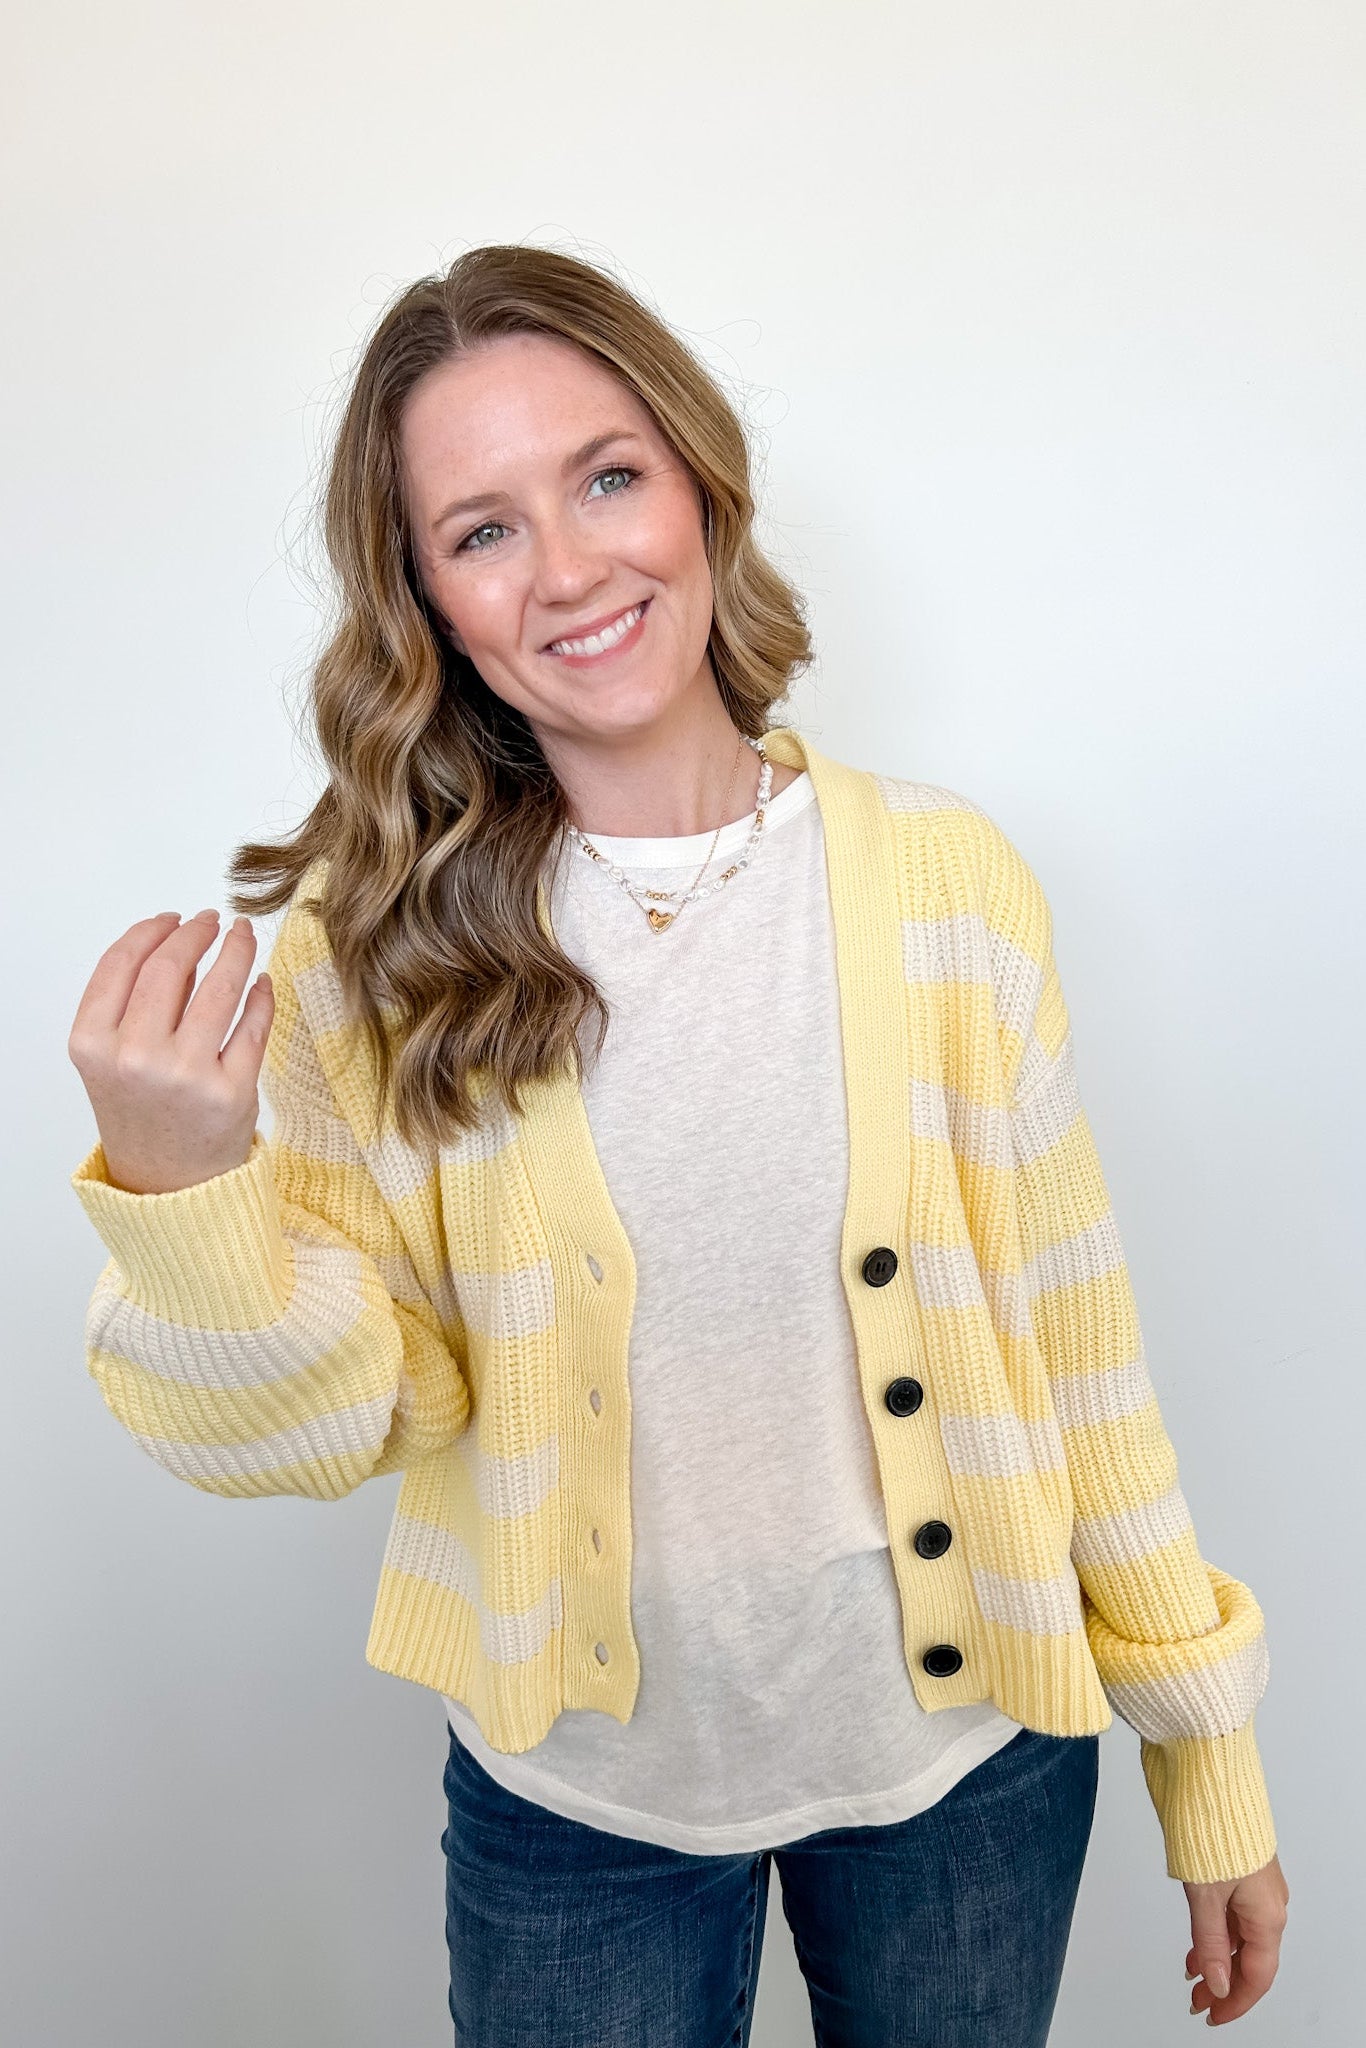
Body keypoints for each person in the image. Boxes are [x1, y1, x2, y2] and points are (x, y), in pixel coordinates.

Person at [67, 243, 1288, 2046]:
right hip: (577, 1803)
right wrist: (189, 1196)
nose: (567, 568)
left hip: (968, 1775)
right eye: (480, 530)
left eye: (606, 476)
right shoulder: (375, 951)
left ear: (700, 484)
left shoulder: (944, 885)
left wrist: (1207, 1754)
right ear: (426, 599)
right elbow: (344, 1427)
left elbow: (1072, 1349)